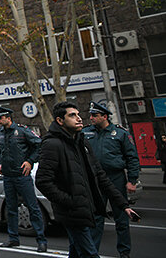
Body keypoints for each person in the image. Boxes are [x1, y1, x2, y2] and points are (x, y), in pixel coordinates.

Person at [36, 102, 138, 258]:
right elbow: (43, 181)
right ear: (60, 121)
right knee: (90, 253)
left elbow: (100, 176)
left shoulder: (82, 141)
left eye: (78, 114)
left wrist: (123, 204)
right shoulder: (52, 144)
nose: (79, 119)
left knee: (77, 251)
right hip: (73, 213)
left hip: (87, 206)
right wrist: (71, 201)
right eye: (72, 115)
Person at [83, 102, 140, 258]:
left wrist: (132, 180)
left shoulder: (120, 133)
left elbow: (132, 158)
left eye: (95, 115)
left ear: (105, 116)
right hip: (95, 179)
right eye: (91, 115)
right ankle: (92, 251)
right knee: (96, 217)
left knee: (121, 217)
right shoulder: (86, 132)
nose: (91, 118)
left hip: (116, 178)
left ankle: (124, 251)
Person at [0, 106, 47, 252]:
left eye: (0, 117)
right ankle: (13, 238)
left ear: (8, 118)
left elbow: (38, 145)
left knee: (32, 207)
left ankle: (41, 240)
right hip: (8, 177)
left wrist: (30, 161)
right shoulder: (0, 133)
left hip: (22, 176)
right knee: (11, 209)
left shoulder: (22, 131)